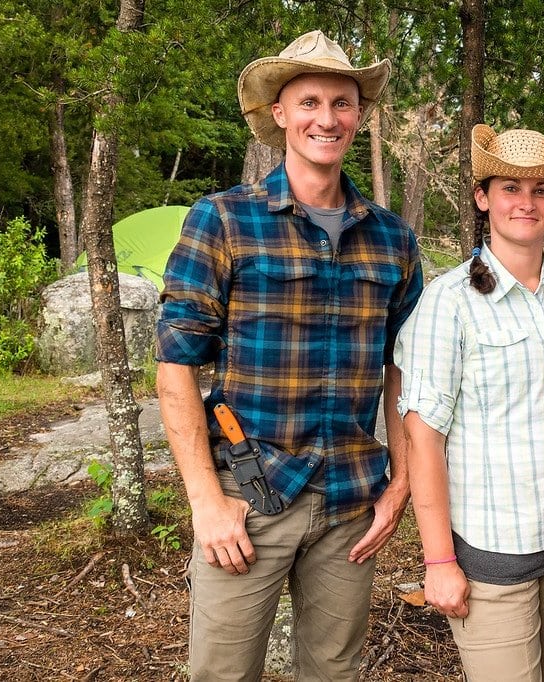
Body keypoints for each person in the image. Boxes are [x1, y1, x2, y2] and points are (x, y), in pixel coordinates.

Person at [155, 30, 422, 681]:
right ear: (279, 112)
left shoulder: (392, 240)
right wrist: (204, 501)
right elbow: (174, 366)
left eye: (341, 102)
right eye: (309, 102)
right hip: (249, 497)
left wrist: (402, 486)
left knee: (334, 670)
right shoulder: (221, 221)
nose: (325, 118)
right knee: (222, 672)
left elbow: (404, 373)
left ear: (359, 115)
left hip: (350, 501)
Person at [394, 124, 544, 682]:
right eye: (510, 188)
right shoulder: (449, 302)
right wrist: (438, 561)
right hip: (492, 555)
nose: (526, 203)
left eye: (541, 190)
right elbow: (423, 438)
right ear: (483, 198)